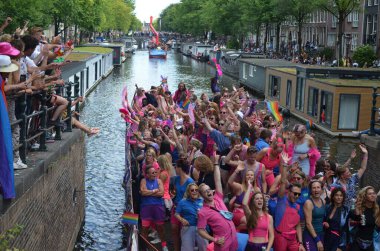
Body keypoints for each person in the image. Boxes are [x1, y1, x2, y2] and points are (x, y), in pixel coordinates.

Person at [197, 158, 238, 251]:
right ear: (202, 196)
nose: (208, 192)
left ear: (212, 190)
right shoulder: (203, 212)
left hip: (233, 238)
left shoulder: (218, 197)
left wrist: (215, 163)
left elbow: (218, 180)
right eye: (205, 192)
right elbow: (200, 230)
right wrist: (214, 240)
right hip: (222, 243)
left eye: (209, 190)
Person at [273, 153, 306, 251]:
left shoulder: (297, 207)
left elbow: (298, 225)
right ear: (289, 192)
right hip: (280, 237)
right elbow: (283, 181)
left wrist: (300, 243)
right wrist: (285, 165)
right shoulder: (282, 199)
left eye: (298, 194)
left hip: (293, 239)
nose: (296, 196)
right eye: (294, 193)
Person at [139, 166, 168, 251]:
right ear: (147, 174)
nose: (155, 174)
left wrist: (147, 193)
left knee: (160, 227)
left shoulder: (159, 181)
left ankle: (164, 245)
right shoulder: (143, 180)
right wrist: (153, 191)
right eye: (152, 173)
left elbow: (161, 193)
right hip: (146, 208)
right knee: (145, 229)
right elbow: (143, 192)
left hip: (158, 207)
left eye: (155, 172)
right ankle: (145, 247)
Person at [331, 144, 368, 209]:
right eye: (348, 173)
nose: (350, 173)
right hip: (341, 210)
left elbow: (363, 168)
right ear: (342, 176)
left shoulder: (352, 179)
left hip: (353, 208)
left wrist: (365, 154)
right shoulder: (335, 186)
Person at [228, 162, 260, 231]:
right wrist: (237, 170)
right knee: (249, 222)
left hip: (251, 213)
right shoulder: (240, 187)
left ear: (254, 178)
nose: (249, 176)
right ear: (245, 178)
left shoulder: (257, 189)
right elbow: (230, 182)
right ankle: (236, 230)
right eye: (247, 175)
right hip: (239, 212)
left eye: (251, 175)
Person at [175, 183, 207, 251]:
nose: (194, 191)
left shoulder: (203, 201)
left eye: (196, 190)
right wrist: (182, 219)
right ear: (188, 192)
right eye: (192, 190)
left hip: (201, 227)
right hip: (188, 227)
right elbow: (176, 214)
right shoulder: (182, 202)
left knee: (205, 248)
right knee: (187, 249)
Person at [171, 159, 194, 251]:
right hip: (175, 208)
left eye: (176, 166)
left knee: (184, 232)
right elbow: (174, 192)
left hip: (185, 210)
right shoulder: (176, 179)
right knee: (174, 229)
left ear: (180, 168)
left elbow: (193, 197)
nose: (175, 168)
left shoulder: (190, 181)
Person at [242, 187, 274, 251]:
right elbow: (244, 204)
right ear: (253, 202)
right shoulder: (250, 215)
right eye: (257, 199)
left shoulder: (269, 217)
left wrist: (268, 249)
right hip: (251, 246)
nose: (259, 200)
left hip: (264, 246)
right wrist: (249, 187)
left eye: (261, 198)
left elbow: (271, 236)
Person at [348, 186, 380, 251]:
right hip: (357, 243)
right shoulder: (359, 208)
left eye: (373, 193)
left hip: (370, 243)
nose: (372, 195)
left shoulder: (377, 210)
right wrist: (357, 210)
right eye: (370, 194)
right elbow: (354, 217)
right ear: (365, 196)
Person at [323, 187, 350, 251]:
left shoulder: (346, 210)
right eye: (336, 195)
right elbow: (323, 220)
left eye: (341, 195)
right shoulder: (328, 207)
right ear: (333, 197)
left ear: (343, 197)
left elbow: (356, 218)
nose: (339, 197)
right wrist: (324, 223)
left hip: (340, 240)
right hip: (327, 238)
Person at [303, 180, 326, 251]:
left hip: (321, 234)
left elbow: (322, 218)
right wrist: (317, 240)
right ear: (310, 190)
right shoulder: (308, 203)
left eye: (318, 187)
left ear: (322, 189)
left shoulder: (323, 201)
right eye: (314, 188)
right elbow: (308, 223)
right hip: (310, 235)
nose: (316, 190)